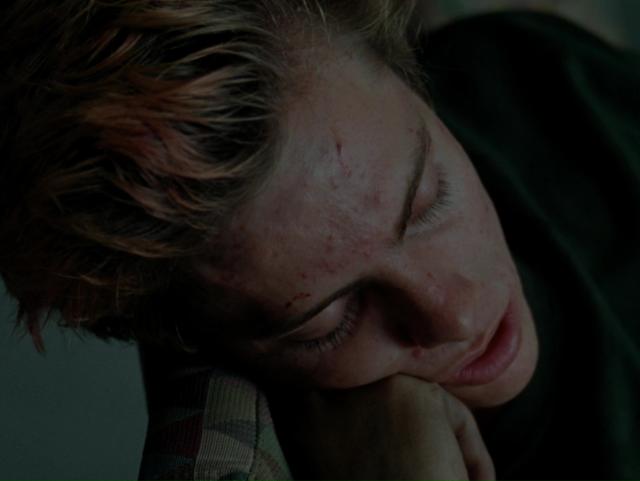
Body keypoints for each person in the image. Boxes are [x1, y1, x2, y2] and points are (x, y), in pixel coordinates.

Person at [1, 1, 639, 479]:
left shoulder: (537, 77)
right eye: (329, 321)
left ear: (413, 84)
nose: (457, 315)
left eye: (428, 200)